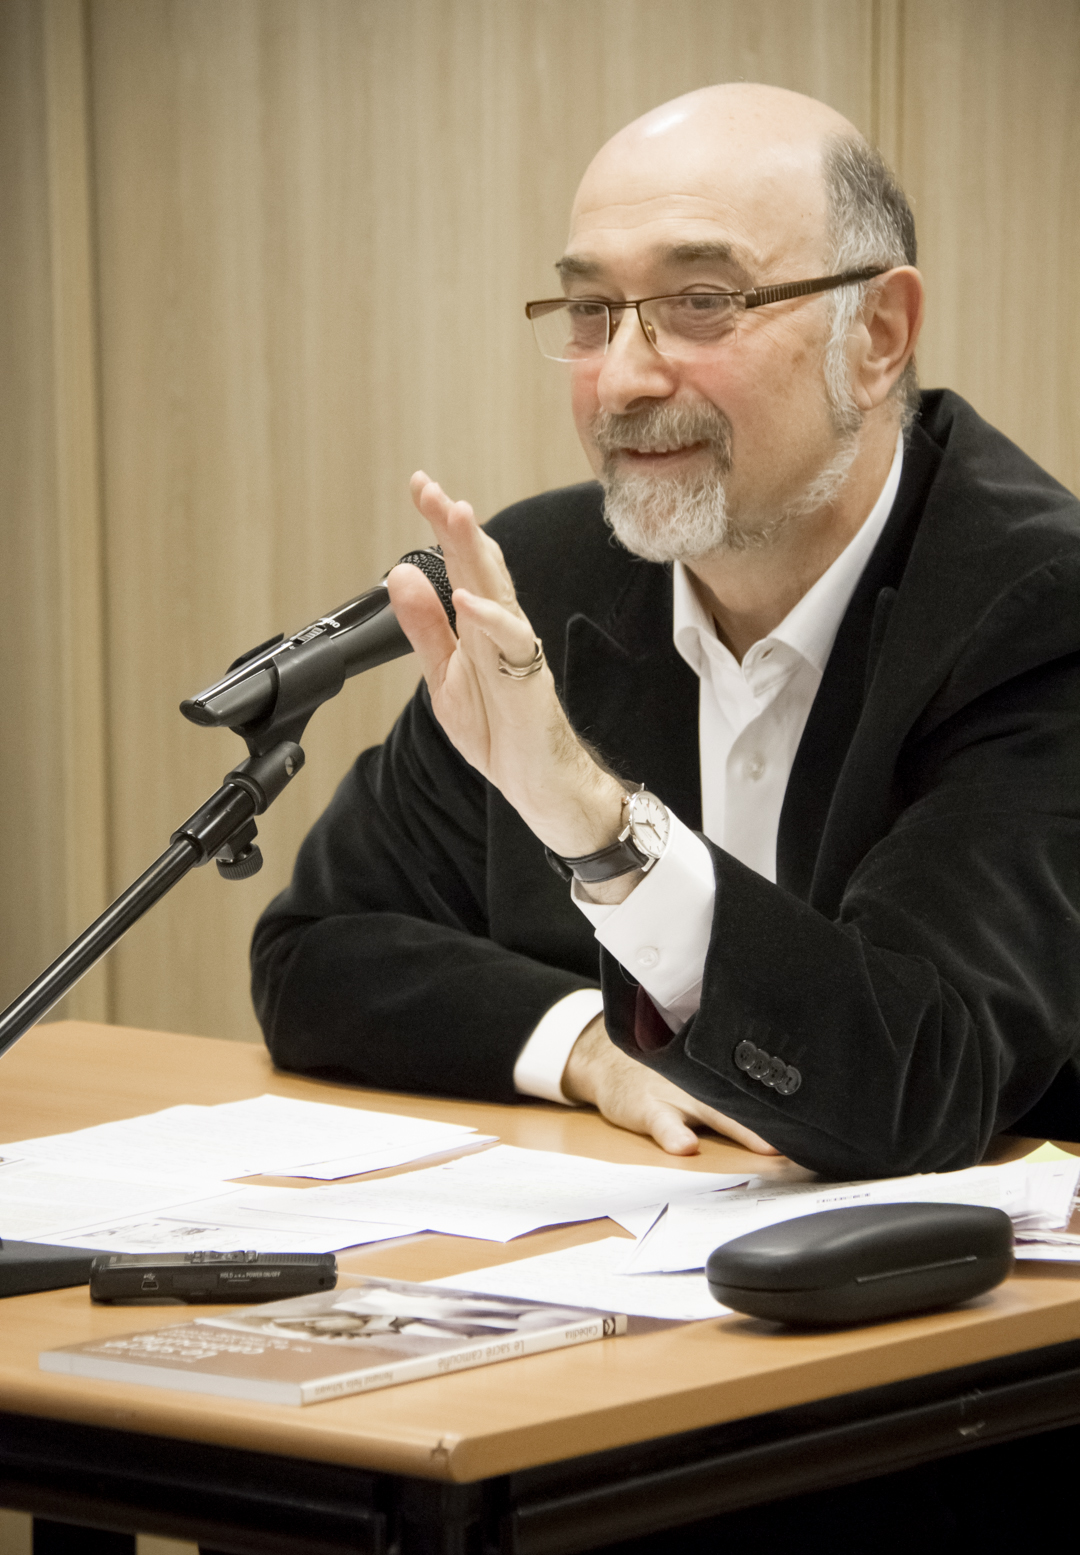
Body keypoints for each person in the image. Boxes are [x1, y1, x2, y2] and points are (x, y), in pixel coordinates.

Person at [251, 82, 1080, 1178]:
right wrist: (590, 1046)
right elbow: (318, 952)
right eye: (591, 313)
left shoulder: (1040, 609)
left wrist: (597, 826)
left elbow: (922, 1082)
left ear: (878, 334)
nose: (625, 379)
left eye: (700, 302)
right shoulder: (543, 576)